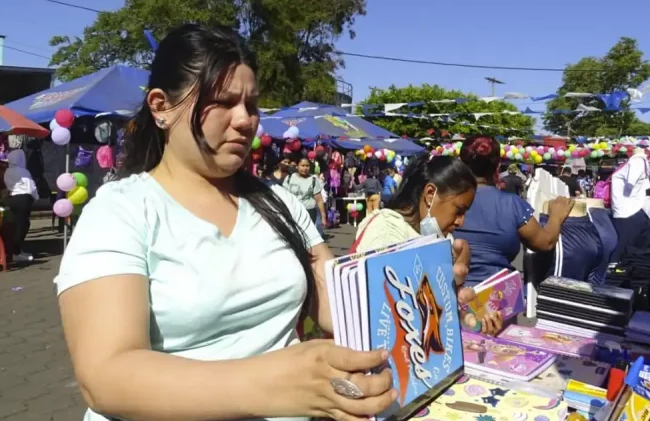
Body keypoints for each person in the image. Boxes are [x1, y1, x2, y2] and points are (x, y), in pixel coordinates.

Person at [55, 24, 429, 421]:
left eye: (251, 105)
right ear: (161, 106)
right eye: (223, 101)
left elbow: (337, 303)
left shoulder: (279, 202)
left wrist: (424, 296)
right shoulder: (121, 211)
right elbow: (106, 377)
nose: (244, 120)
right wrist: (275, 386)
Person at [353, 153, 502, 335]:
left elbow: (441, 311)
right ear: (430, 194)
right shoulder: (385, 231)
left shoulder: (439, 237)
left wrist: (472, 319)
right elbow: (383, 318)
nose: (461, 222)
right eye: (458, 211)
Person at [455, 135, 575, 285]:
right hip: (499, 295)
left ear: (461, 163)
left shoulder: (446, 201)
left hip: (450, 290)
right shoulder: (512, 204)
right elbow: (545, 243)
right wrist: (556, 217)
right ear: (498, 165)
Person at [610, 147, 650, 261]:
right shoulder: (641, 162)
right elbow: (646, 187)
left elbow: (631, 182)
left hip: (627, 211)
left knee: (621, 253)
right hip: (631, 210)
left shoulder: (637, 161)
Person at [4, 149, 39, 262]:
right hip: (23, 199)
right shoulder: (23, 171)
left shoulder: (7, 171)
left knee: (16, 225)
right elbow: (31, 187)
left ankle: (16, 250)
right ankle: (16, 252)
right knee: (22, 226)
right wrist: (36, 197)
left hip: (12, 198)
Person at [284, 157, 327, 227]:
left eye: (307, 166)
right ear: (297, 166)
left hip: (309, 212)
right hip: (293, 212)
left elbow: (319, 200)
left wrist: (323, 217)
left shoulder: (313, 180)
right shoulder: (289, 178)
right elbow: (284, 196)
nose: (305, 168)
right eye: (302, 165)